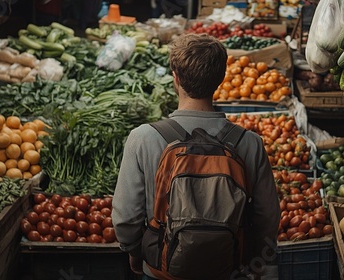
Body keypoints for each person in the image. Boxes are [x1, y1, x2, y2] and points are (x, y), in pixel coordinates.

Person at [112, 33, 280, 279]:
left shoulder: (143, 138)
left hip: (162, 270)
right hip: (227, 268)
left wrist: (135, 252)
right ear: (221, 79)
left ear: (175, 79)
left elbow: (126, 217)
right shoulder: (249, 143)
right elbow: (268, 216)